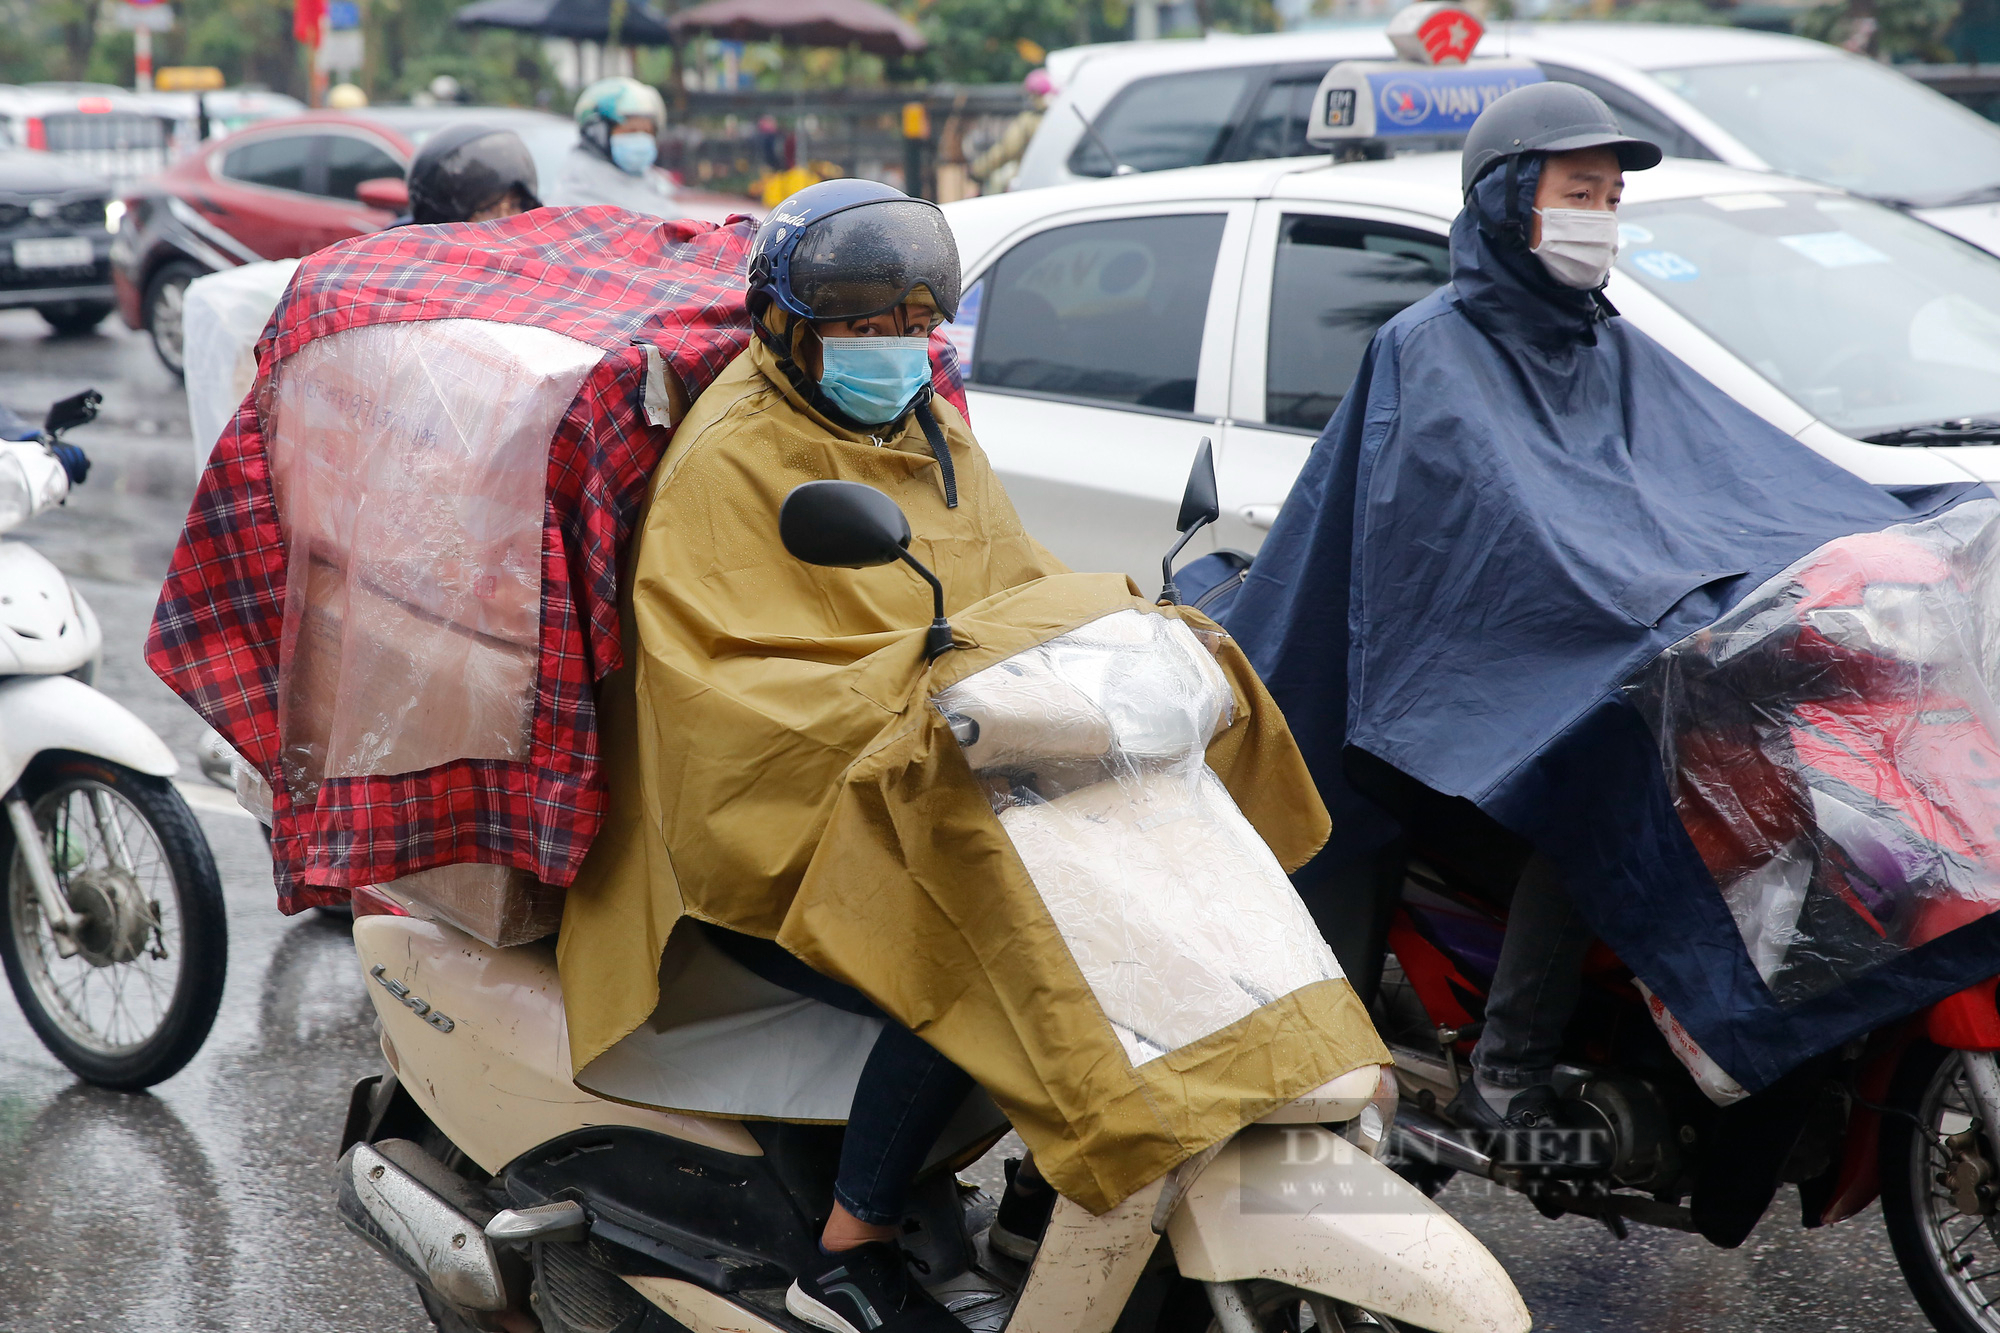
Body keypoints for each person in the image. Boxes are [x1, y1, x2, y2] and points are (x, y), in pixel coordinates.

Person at [558, 179, 1069, 1333]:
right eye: (859, 325)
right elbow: (728, 698)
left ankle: (1046, 1197)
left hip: (917, 794)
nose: (891, 349)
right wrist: (915, 704)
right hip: (769, 836)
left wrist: (1117, 628)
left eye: (908, 325)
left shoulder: (923, 426)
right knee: (975, 954)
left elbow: (1009, 575)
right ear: (788, 327)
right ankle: (846, 1252)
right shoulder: (734, 454)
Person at [550, 75, 680, 217]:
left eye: (647, 132)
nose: (641, 138)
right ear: (599, 132)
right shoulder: (578, 184)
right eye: (631, 131)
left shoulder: (650, 183)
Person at [400, 122, 542, 226]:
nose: (507, 219)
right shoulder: (404, 259)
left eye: (515, 205)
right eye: (488, 209)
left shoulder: (545, 257)